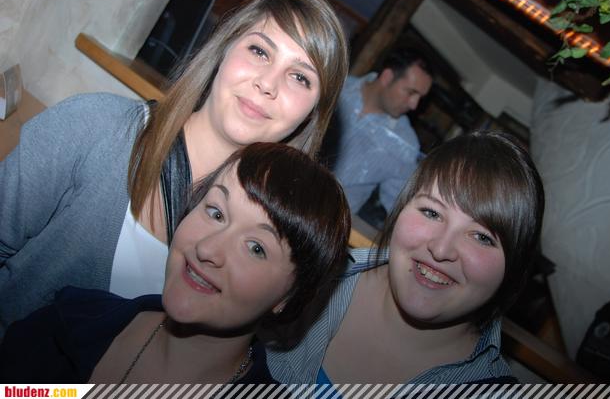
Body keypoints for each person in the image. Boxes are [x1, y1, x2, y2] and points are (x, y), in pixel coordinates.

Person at [0, 0, 349, 335]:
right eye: (259, 51)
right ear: (225, 48)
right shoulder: (95, 127)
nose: (267, 83)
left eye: (300, 77)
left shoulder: (271, 249)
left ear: (311, 114)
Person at [0, 142, 351, 383]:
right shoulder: (69, 321)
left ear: (289, 296)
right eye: (215, 212)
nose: (208, 249)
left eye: (256, 248)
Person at [267, 131, 545, 384]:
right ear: (400, 208)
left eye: (482, 237)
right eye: (431, 213)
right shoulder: (301, 279)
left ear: (514, 268)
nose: (441, 250)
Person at [322, 45, 433, 221]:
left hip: (326, 225)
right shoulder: (334, 88)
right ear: (387, 77)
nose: (414, 105)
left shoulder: (405, 144)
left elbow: (398, 209)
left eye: (420, 97)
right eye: (411, 92)